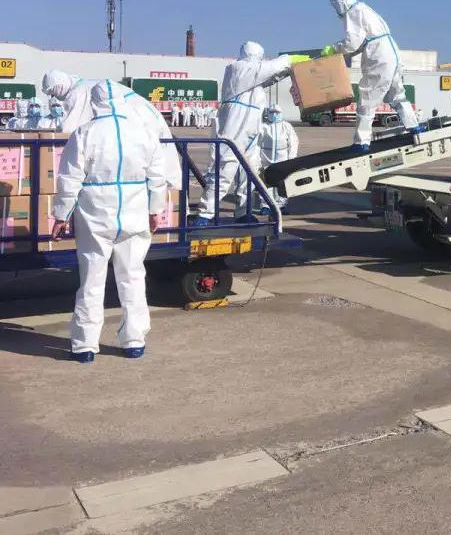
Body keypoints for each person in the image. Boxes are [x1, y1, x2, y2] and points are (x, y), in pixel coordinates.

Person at [51, 81, 168, 362]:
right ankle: (134, 341)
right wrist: (155, 209)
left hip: (95, 213)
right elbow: (157, 176)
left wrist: (61, 215)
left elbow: (69, 178)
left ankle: (85, 346)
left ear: (95, 102)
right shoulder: (143, 132)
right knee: (132, 277)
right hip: (134, 210)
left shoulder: (85, 133)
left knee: (92, 280)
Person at [194, 42, 292, 225]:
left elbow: (270, 77)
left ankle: (242, 211)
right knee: (224, 172)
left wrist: (288, 71)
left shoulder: (253, 80)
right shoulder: (237, 69)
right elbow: (269, 69)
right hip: (234, 130)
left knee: (249, 174)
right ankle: (205, 213)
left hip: (251, 133)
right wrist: (289, 60)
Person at [41, 71, 182, 188]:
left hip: (136, 123)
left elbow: (70, 130)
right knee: (159, 167)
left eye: (53, 93)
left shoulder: (78, 92)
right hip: (147, 120)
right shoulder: (88, 86)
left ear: (59, 86)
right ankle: (173, 201)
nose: (54, 98)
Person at [325, 0, 422, 152]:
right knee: (397, 94)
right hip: (392, 53)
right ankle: (414, 126)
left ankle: (361, 142)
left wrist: (333, 49)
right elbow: (362, 42)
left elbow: (352, 42)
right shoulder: (364, 8)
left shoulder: (353, 11)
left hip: (379, 56)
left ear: (340, 4)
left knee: (367, 100)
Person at [257, 104, 299, 213]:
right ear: (268, 113)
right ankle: (266, 205)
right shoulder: (263, 127)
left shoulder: (286, 126)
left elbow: (293, 142)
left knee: (282, 182)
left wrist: (291, 158)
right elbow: (257, 143)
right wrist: (257, 159)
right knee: (266, 182)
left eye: (277, 112)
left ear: (281, 113)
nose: (274, 114)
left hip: (282, 159)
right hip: (266, 159)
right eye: (272, 112)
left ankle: (282, 205)